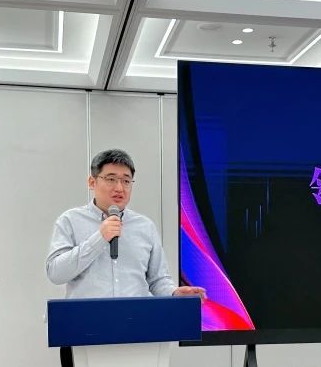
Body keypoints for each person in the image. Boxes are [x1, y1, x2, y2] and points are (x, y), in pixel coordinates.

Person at [46, 149, 206, 367]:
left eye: (126, 181)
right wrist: (99, 238)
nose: (119, 188)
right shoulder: (70, 221)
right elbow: (55, 272)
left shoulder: (145, 227)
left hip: (139, 331)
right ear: (92, 182)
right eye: (111, 179)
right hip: (85, 331)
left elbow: (158, 280)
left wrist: (174, 293)